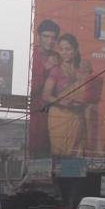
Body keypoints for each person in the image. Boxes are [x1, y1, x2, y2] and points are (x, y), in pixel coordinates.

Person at [42, 33, 94, 156]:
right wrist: (63, 102)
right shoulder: (56, 70)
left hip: (78, 117)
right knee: (60, 156)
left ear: (75, 51)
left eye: (68, 49)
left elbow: (89, 94)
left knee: (78, 153)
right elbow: (46, 95)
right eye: (61, 49)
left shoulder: (81, 71)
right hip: (60, 117)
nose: (64, 52)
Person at [28, 19, 60, 156]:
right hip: (36, 111)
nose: (50, 41)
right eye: (46, 36)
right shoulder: (31, 56)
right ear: (39, 37)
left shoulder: (58, 57)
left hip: (55, 112)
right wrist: (46, 69)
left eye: (53, 38)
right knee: (37, 149)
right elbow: (32, 90)